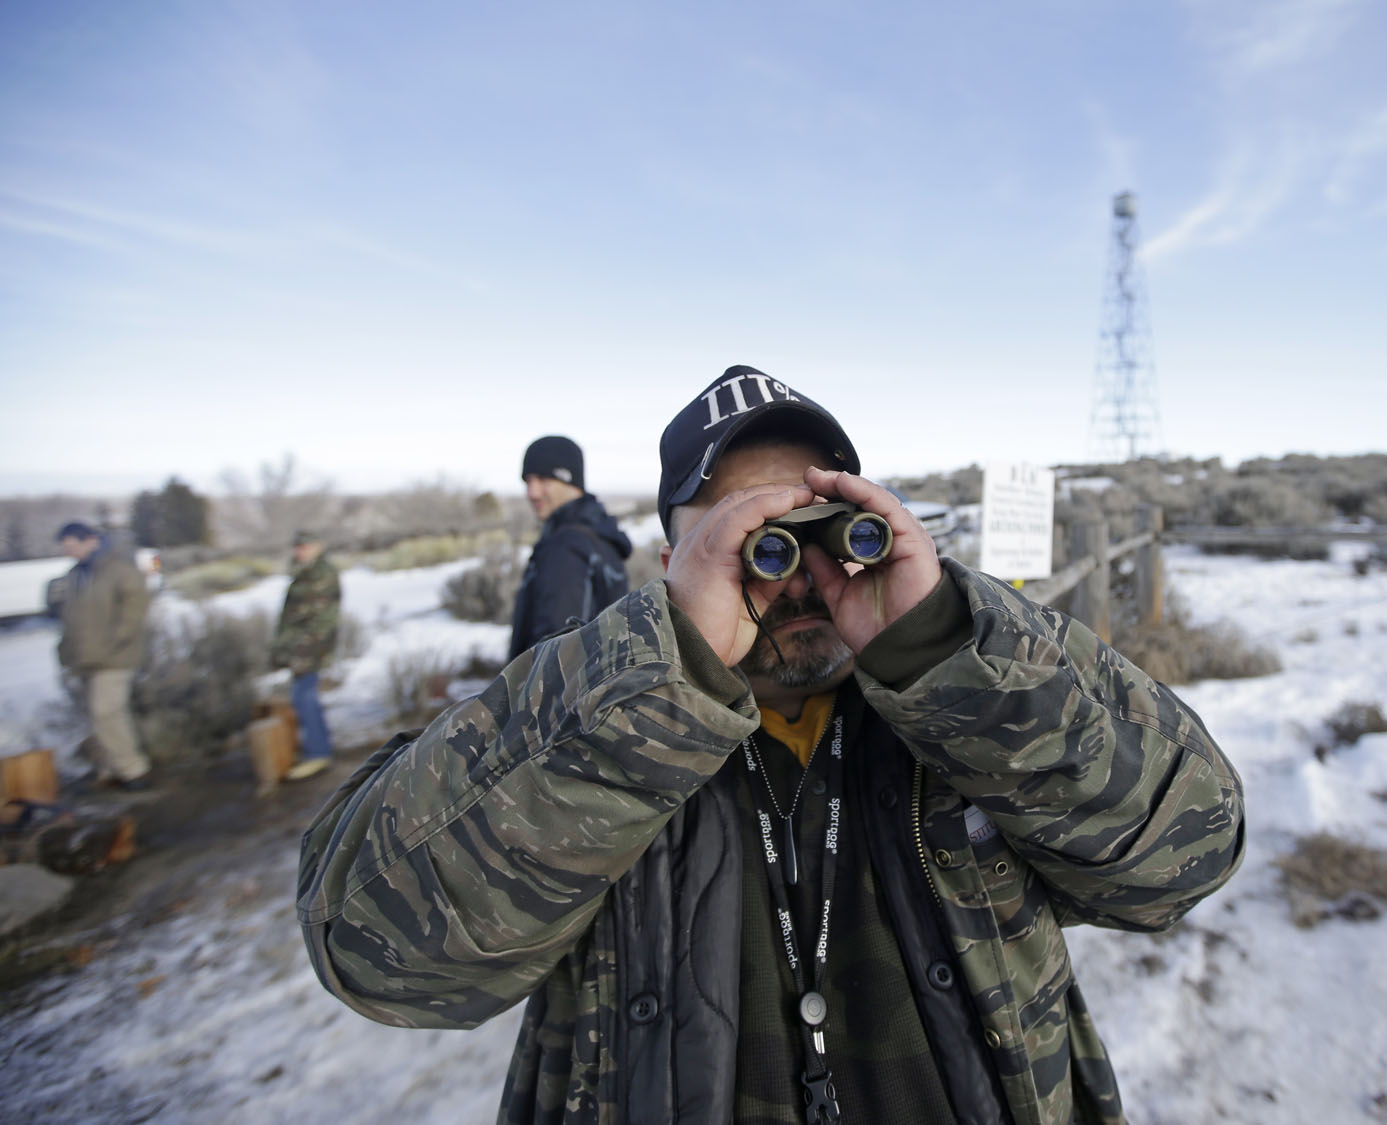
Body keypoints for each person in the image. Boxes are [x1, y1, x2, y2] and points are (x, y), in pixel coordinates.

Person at [298, 366, 1244, 1125]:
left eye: (812, 527)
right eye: (745, 539)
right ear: (670, 565)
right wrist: (656, 675)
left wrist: (948, 646)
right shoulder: (577, 711)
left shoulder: (960, 697)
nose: (792, 576)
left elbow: (1182, 853)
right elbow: (378, 955)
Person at [508, 435, 633, 661]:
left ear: (570, 481)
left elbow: (555, 655)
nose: (532, 492)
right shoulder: (600, 533)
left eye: (544, 479)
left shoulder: (566, 546)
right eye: (528, 481)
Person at [56, 522, 152, 791]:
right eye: (65, 548)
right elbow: (71, 617)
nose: (69, 552)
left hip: (114, 656)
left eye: (72, 546)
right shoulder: (76, 575)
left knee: (107, 712)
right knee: (96, 716)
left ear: (91, 541)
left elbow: (135, 608)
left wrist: (117, 640)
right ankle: (110, 768)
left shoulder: (118, 569)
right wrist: (65, 649)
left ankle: (133, 770)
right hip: (85, 657)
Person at [271, 529, 341, 782]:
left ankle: (318, 752)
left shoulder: (320, 573)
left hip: (309, 648)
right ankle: (316, 748)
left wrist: (305, 650)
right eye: (297, 546)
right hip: (299, 647)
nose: (300, 551)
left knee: (305, 697)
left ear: (317, 546)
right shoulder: (304, 572)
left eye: (305, 546)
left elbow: (320, 618)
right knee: (301, 696)